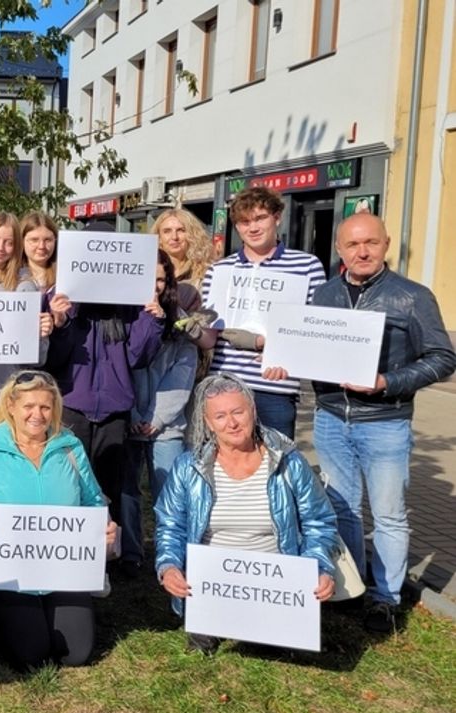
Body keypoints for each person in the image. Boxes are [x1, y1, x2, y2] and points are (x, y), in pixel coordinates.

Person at [307, 214, 454, 632]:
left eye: (371, 242)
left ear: (386, 244)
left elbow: (443, 358)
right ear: (339, 250)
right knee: (343, 509)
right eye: (352, 245)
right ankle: (351, 586)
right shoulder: (325, 295)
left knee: (389, 515)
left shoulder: (412, 297)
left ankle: (385, 599)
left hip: (385, 421)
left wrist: (387, 382)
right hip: (332, 417)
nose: (362, 252)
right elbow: (311, 349)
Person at [153, 374, 337, 653]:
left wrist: (320, 568)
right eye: (221, 416)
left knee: (274, 649)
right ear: (208, 422)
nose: (232, 422)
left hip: (274, 586)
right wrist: (168, 566)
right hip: (211, 584)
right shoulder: (187, 467)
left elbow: (319, 521)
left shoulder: (289, 462)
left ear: (253, 411)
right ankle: (209, 624)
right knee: (202, 644)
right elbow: (170, 525)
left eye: (238, 412)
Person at [0, 370, 116, 670]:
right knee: (32, 655)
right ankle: (0, 611)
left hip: (63, 569)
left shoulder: (70, 448)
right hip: (10, 575)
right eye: (29, 406)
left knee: (75, 653)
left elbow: (92, 500)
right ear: (10, 406)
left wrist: (103, 528)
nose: (37, 415)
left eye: (45, 407)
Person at [48, 220, 164, 539]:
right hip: (72, 406)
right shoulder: (64, 300)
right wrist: (63, 320)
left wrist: (150, 318)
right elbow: (53, 359)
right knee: (68, 482)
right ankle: (68, 547)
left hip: (114, 411)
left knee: (107, 486)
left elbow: (138, 357)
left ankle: (100, 555)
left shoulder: (127, 307)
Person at [200, 187, 326, 438]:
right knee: (224, 467)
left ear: (277, 217)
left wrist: (279, 350)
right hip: (225, 384)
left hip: (276, 385)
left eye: (260, 218)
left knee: (276, 465)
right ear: (236, 227)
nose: (253, 228)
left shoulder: (307, 266)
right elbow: (209, 335)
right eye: (244, 222)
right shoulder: (220, 271)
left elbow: (315, 329)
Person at [118, 252, 197, 577]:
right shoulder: (121, 319)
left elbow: (182, 376)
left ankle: (173, 557)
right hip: (128, 418)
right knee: (126, 493)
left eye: (160, 280)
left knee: (169, 492)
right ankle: (131, 555)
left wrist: (156, 418)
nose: (153, 287)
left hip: (166, 427)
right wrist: (134, 412)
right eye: (146, 280)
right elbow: (119, 371)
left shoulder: (179, 326)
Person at [0, 212, 53, 412]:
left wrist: (42, 336)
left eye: (8, 242)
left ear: (16, 247)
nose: (0, 248)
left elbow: (37, 359)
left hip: (8, 400)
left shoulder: (24, 287)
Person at [151, 208, 212, 294]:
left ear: (192, 235)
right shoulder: (148, 270)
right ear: (159, 237)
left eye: (181, 230)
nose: (174, 237)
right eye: (167, 231)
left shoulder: (205, 273)